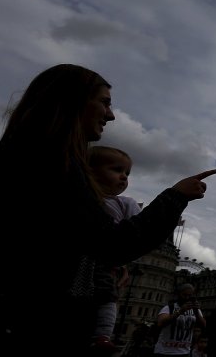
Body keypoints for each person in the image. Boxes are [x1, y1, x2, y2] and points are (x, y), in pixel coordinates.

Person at [0, 64, 216, 355]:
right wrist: (176, 196)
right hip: (45, 327)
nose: (111, 114)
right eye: (104, 102)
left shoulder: (29, 158)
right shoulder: (54, 166)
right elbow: (112, 243)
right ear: (72, 101)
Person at [87, 145, 143, 352]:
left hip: (102, 263)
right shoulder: (80, 199)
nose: (124, 177)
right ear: (89, 170)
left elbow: (141, 227)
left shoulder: (124, 203)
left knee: (106, 296)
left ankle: (102, 335)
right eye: (116, 170)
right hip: (79, 260)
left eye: (127, 173)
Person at [155, 283, 207, 356]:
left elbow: (203, 325)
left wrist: (196, 313)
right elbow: (160, 323)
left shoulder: (196, 310)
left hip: (184, 352)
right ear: (178, 294)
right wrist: (180, 311)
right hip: (164, 351)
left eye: (190, 295)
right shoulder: (169, 308)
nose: (187, 298)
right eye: (184, 295)